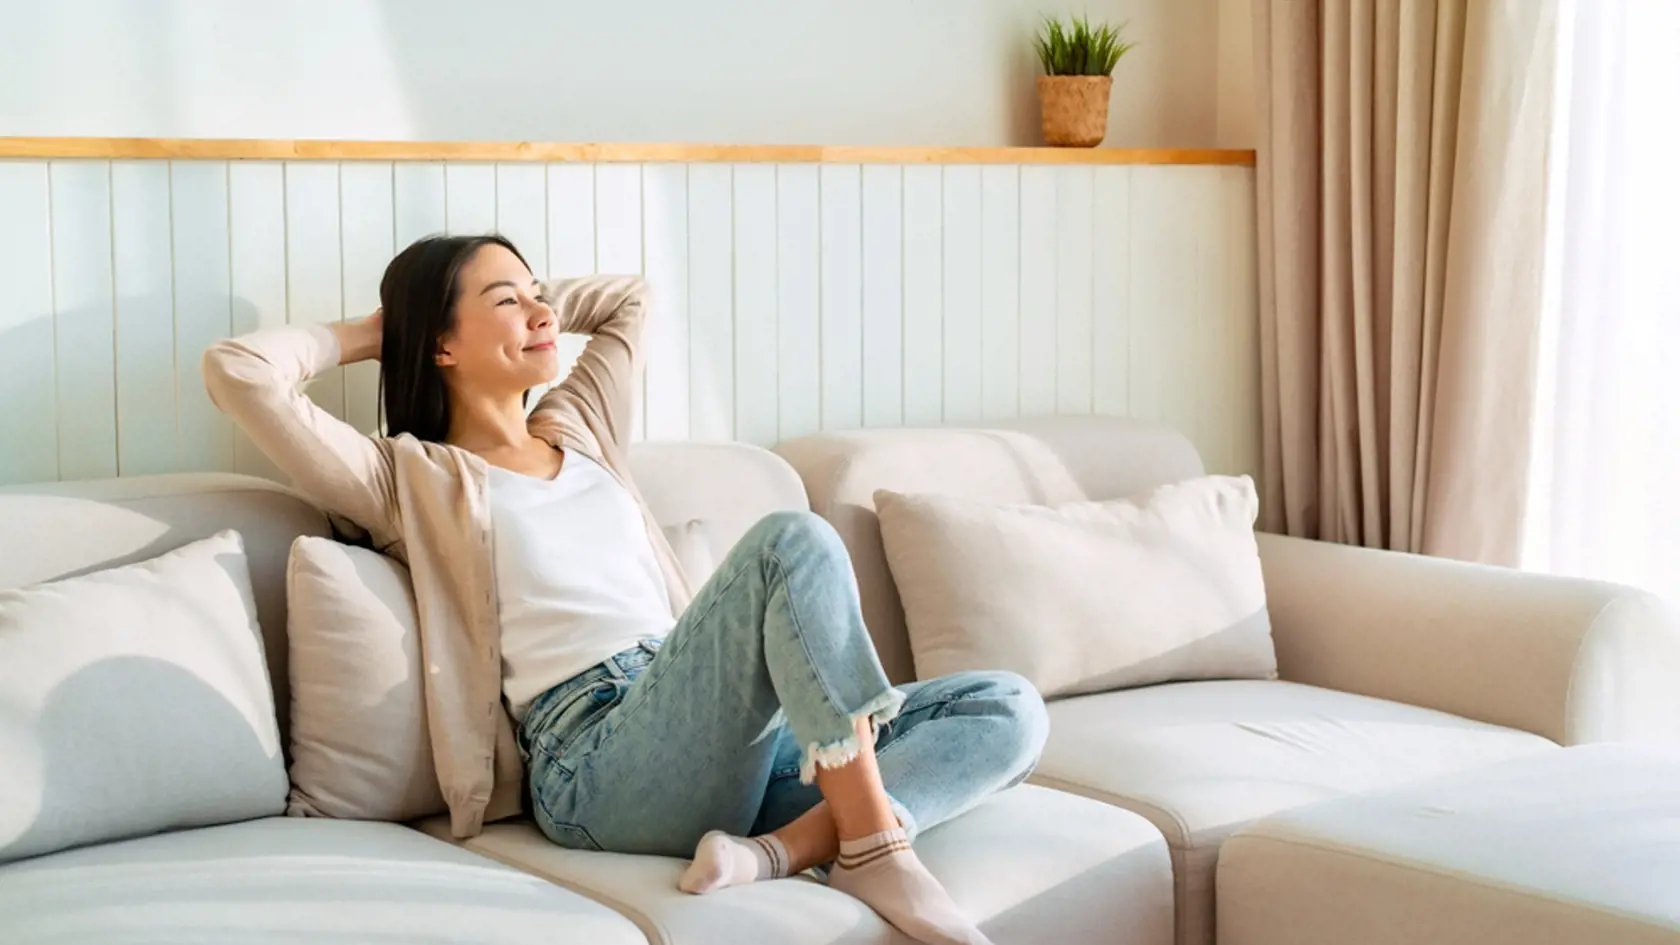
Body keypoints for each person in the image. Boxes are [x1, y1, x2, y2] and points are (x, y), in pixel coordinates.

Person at [203, 233, 1048, 945]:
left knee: (1007, 706)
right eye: (507, 300)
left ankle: (778, 852)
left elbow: (628, 300)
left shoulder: (580, 428)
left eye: (539, 295)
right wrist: (376, 330)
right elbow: (239, 371)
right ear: (441, 344)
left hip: (728, 734)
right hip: (595, 756)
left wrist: (520, 301)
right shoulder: (410, 478)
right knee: (792, 541)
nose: (541, 314)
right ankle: (873, 849)